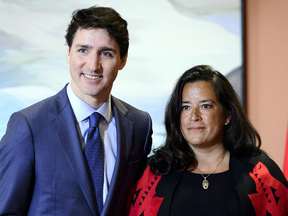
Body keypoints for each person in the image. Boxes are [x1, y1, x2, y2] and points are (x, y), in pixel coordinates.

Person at [0, 6, 152, 216]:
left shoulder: (140, 125)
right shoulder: (28, 126)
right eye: (83, 50)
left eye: (105, 53)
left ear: (123, 59)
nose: (93, 65)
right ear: (69, 54)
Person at [128, 65, 288, 216]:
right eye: (186, 107)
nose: (194, 116)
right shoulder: (155, 171)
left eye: (205, 106)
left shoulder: (260, 172)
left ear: (227, 115)